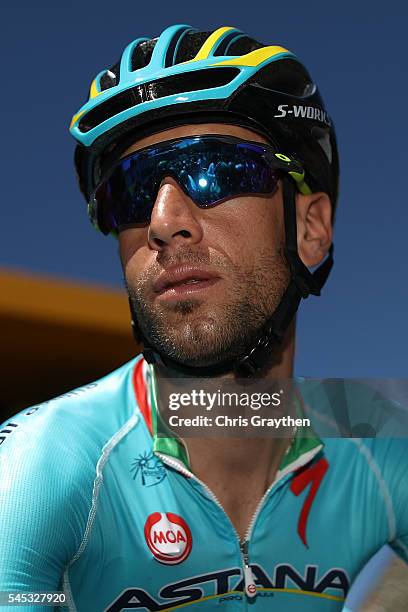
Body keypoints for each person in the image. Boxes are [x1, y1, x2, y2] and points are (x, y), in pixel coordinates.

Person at [0, 24, 407, 612]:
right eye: (132, 191)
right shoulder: (39, 469)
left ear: (311, 229)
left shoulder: (372, 444)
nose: (164, 221)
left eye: (216, 170)